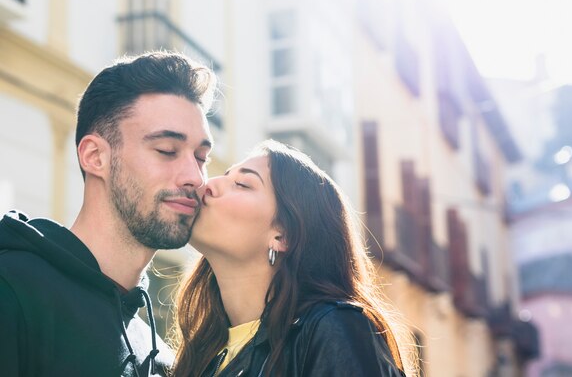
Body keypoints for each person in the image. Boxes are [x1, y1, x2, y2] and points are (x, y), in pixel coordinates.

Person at [0, 51, 216, 377]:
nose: (195, 177)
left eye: (201, 157)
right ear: (95, 156)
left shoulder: (162, 359)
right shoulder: (12, 292)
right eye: (167, 150)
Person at [173, 140, 416, 376]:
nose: (208, 184)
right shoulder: (202, 353)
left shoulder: (333, 329)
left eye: (242, 184)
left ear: (282, 236)